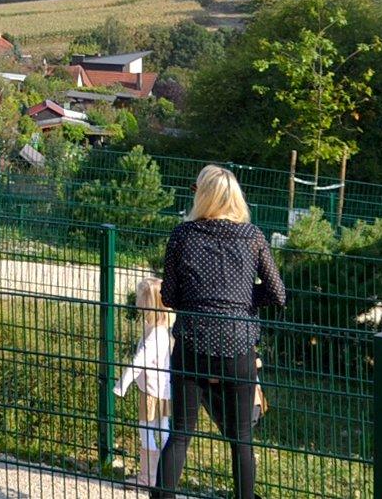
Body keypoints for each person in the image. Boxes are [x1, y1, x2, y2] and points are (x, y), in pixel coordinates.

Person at [152, 166, 285, 499]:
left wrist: (202, 300)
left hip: (192, 340)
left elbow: (168, 295)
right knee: (241, 439)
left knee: (180, 433)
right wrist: (239, 300)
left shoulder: (183, 234)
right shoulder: (253, 236)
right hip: (239, 343)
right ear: (235, 197)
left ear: (202, 194)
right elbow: (278, 294)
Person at [116, 276, 175, 488]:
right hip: (163, 389)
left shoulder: (155, 335)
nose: (136, 301)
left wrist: (122, 384)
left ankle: (148, 477)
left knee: (146, 430)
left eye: (140, 297)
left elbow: (139, 360)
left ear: (148, 303)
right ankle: (166, 476)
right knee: (163, 428)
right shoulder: (161, 330)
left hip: (151, 391)